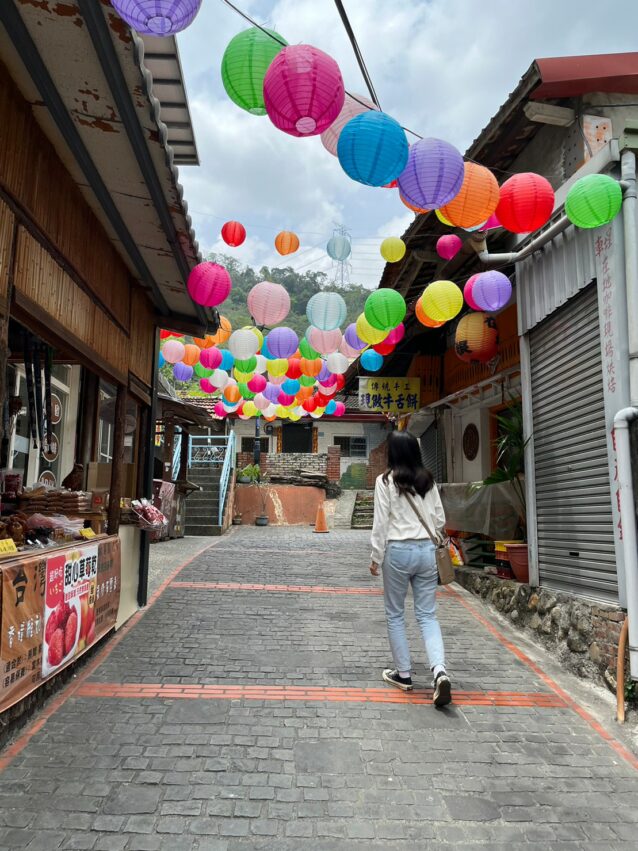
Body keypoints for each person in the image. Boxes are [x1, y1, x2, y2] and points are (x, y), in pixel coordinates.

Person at [369, 430, 451, 707]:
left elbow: (381, 522)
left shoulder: (385, 481)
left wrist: (375, 556)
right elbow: (439, 519)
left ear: (392, 452)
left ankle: (403, 674)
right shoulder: (428, 480)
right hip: (427, 552)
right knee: (427, 615)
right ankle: (439, 671)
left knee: (395, 614)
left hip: (397, 551)